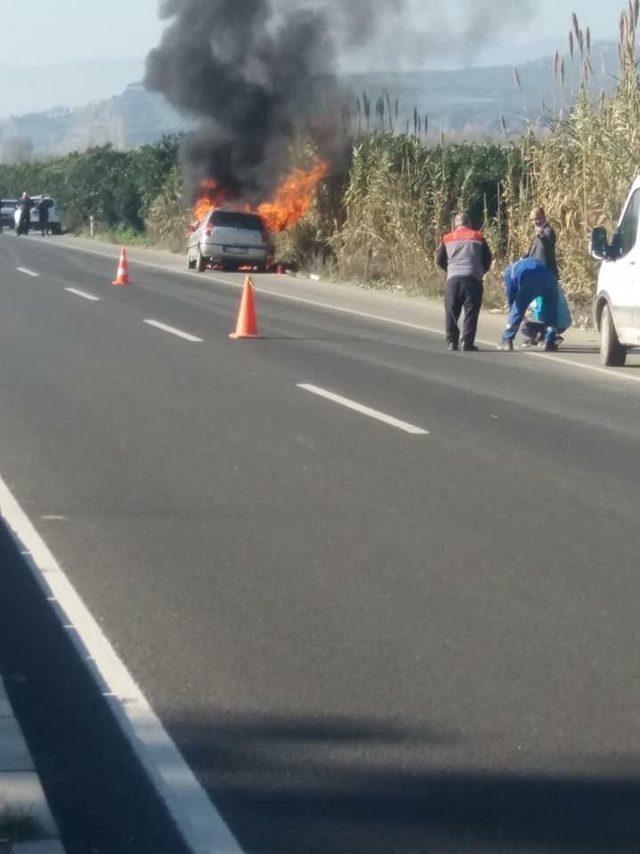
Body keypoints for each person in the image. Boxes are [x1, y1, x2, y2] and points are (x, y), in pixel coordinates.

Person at [436, 211, 492, 351]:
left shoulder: (447, 238)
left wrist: (450, 270)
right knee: (471, 312)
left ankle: (452, 342)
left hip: (453, 280)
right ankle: (467, 342)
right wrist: (480, 271)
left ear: (455, 224)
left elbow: (439, 260)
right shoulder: (478, 237)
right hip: (473, 279)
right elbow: (487, 258)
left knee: (451, 311)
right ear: (469, 224)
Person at [501, 257, 559, 351]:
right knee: (552, 311)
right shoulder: (525, 264)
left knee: (519, 305)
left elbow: (512, 300)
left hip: (532, 280)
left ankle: (507, 340)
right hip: (550, 278)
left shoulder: (509, 272)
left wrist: (515, 316)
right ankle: (550, 342)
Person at [527, 206, 558, 279]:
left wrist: (541, 235)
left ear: (543, 217)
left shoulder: (548, 231)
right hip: (537, 274)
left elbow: (549, 245)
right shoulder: (537, 233)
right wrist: (523, 258)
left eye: (537, 218)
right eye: (532, 220)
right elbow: (532, 251)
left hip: (547, 274)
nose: (535, 222)